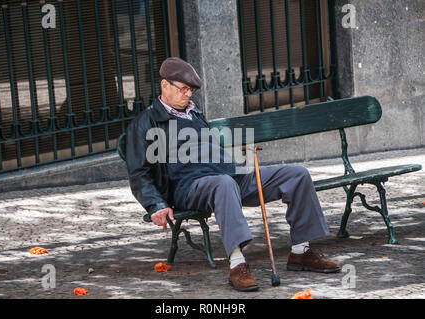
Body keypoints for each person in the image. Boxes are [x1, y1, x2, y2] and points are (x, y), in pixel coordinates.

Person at [125, 57, 341, 292]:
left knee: (296, 175)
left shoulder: (194, 113)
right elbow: (139, 172)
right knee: (223, 183)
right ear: (165, 85)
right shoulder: (146, 122)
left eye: (191, 90)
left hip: (230, 176)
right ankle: (237, 264)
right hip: (189, 187)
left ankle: (301, 252)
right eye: (183, 89)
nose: (188, 94)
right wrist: (155, 204)